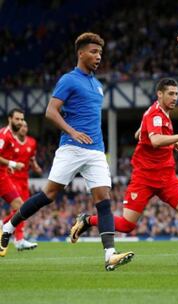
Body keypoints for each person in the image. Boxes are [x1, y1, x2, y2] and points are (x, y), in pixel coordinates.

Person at [70, 78, 178, 265]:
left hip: (167, 178)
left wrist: (171, 141)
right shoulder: (155, 114)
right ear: (159, 94)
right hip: (144, 178)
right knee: (127, 225)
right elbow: (156, 141)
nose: (175, 97)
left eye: (176, 94)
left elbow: (139, 135)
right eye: (170, 94)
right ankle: (88, 220)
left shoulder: (159, 114)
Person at [0, 32, 133, 271]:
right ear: (81, 53)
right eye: (93, 52)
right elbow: (51, 111)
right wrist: (72, 132)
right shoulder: (68, 80)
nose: (98, 56)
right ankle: (9, 227)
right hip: (71, 148)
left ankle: (110, 255)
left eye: (100, 53)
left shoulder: (98, 85)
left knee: (104, 200)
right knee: (48, 195)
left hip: (95, 151)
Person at [0, 109, 37, 251]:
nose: (20, 122)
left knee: (21, 207)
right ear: (10, 119)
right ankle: (7, 228)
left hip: (4, 176)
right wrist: (13, 164)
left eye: (22, 119)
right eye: (17, 119)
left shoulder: (13, 137)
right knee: (21, 207)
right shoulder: (4, 135)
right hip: (2, 176)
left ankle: (9, 230)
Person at [8, 120, 42, 250]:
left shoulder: (32, 142)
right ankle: (19, 239)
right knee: (19, 207)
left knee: (24, 209)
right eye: (21, 126)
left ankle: (5, 225)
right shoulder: (11, 141)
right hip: (12, 178)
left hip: (24, 180)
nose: (24, 128)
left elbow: (32, 158)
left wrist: (36, 167)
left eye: (26, 126)